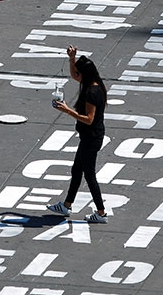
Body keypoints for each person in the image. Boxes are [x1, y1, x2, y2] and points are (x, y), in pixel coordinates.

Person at [46, 45, 109, 224]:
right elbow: (74, 75)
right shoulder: (92, 83)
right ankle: (66, 205)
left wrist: (67, 110)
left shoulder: (92, 92)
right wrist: (72, 59)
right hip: (89, 137)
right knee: (77, 170)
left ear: (85, 74)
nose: (75, 75)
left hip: (91, 138)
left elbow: (88, 119)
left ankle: (101, 212)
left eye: (78, 72)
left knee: (89, 175)